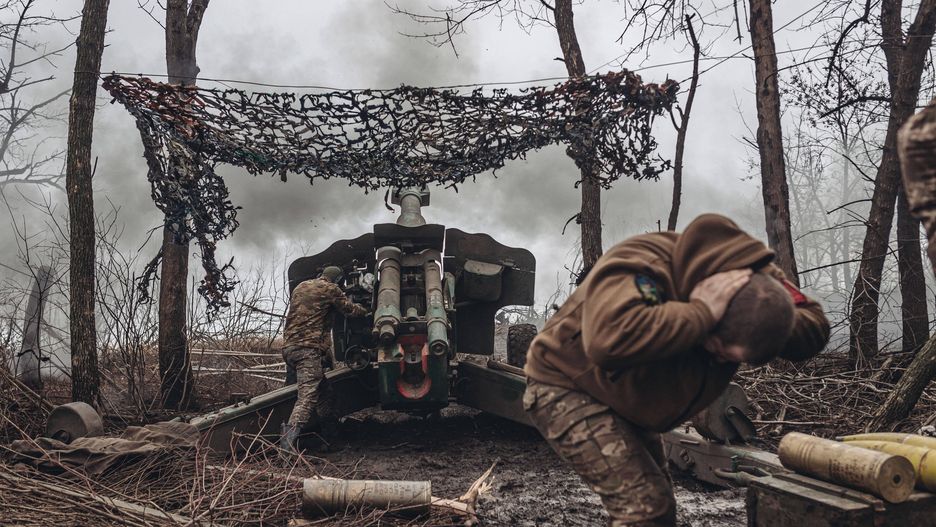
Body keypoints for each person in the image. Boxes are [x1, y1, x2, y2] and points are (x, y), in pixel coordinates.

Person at [522, 214, 830, 527]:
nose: (723, 361)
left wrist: (769, 317)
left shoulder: (756, 282)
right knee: (645, 510)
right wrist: (700, 313)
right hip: (567, 384)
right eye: (718, 349)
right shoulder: (643, 264)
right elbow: (607, 342)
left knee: (659, 511)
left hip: (631, 399)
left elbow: (815, 325)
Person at [280, 265, 368, 453]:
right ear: (337, 280)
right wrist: (367, 310)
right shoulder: (330, 289)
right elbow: (350, 310)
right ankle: (286, 447)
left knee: (325, 394)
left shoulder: (301, 286)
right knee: (307, 397)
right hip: (307, 350)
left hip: (289, 348)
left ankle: (330, 436)